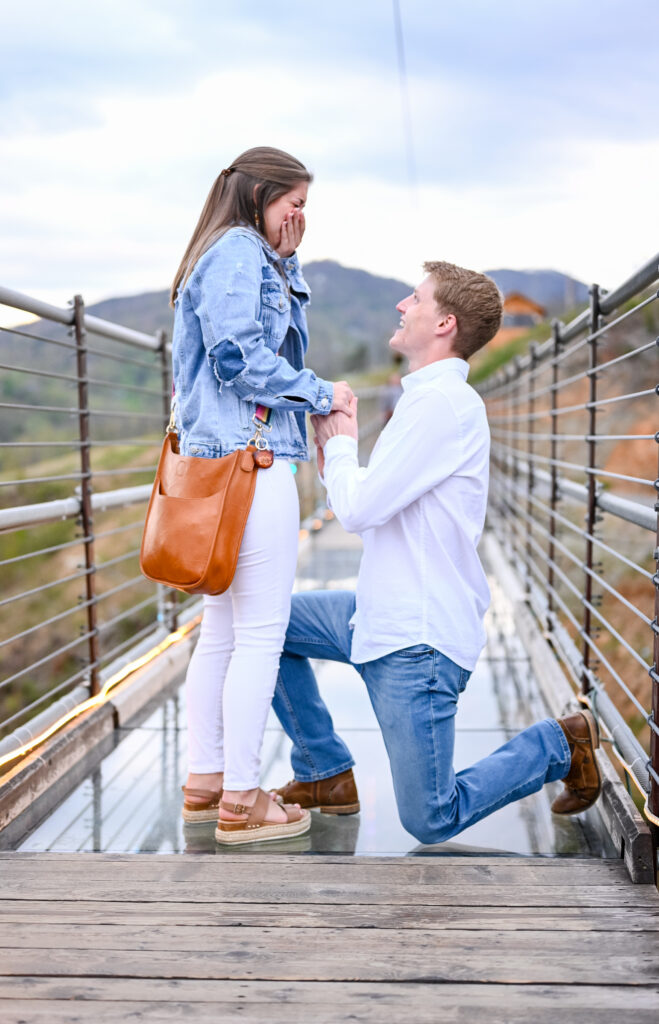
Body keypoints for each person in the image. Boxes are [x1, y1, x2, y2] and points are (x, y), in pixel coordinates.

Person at [271, 261, 601, 843]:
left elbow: (359, 510)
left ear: (444, 322)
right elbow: (379, 499)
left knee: (430, 817)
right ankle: (324, 771)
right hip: (377, 613)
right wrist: (339, 455)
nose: (401, 304)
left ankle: (558, 744)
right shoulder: (424, 400)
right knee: (261, 626)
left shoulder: (442, 407)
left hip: (415, 639)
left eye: (415, 298)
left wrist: (341, 447)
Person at [170, 146, 354, 845]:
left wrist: (289, 259)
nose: (300, 217)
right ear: (258, 197)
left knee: (222, 629)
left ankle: (206, 782)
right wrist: (319, 394)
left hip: (223, 462)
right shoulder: (238, 253)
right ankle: (244, 800)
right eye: (293, 203)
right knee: (258, 632)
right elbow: (238, 357)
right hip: (249, 463)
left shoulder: (238, 253)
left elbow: (249, 336)